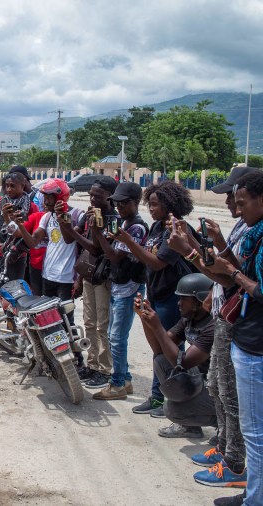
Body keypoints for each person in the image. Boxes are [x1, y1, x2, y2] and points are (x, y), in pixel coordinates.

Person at [166, 168, 257, 493]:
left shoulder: (255, 231)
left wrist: (189, 251)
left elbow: (232, 276)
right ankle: (223, 445)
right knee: (218, 388)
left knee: (231, 396)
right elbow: (225, 269)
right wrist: (200, 244)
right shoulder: (244, 228)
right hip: (227, 317)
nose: (232, 203)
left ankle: (234, 463)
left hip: (239, 324)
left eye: (235, 197)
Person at [201, 170, 263, 505]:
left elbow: (251, 282)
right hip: (243, 329)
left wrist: (233, 272)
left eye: (241, 201)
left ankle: (249, 490)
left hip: (254, 340)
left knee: (254, 431)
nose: (235, 208)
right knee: (224, 395)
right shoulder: (253, 231)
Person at [117, 180, 195, 416]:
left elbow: (157, 263)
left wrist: (129, 242)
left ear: (170, 205)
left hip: (173, 299)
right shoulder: (157, 228)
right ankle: (158, 397)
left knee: (171, 350)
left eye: (155, 205)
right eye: (149, 204)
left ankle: (175, 401)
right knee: (158, 351)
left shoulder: (176, 230)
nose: (151, 209)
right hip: (156, 294)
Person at [134, 274, 219, 442]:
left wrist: (157, 325)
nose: (178, 303)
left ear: (198, 301)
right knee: (161, 360)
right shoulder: (189, 318)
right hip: (201, 379)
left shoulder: (213, 325)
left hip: (220, 388)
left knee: (173, 410)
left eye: (183, 299)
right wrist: (145, 319)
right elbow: (159, 349)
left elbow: (184, 362)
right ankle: (191, 428)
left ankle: (226, 426)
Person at [90, 182, 148, 400]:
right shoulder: (124, 222)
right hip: (119, 285)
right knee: (115, 336)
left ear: (135, 203)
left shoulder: (137, 227)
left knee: (117, 337)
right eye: (117, 202)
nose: (120, 206)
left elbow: (114, 256)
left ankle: (117, 385)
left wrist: (99, 234)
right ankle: (126, 379)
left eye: (124, 203)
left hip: (129, 287)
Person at [58, 177, 118, 388]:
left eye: (98, 196)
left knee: (102, 325)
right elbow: (71, 241)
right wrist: (65, 223)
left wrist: (76, 230)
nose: (92, 199)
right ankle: (92, 364)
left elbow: (95, 249)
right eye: (91, 195)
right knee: (90, 322)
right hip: (89, 276)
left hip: (103, 277)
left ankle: (104, 368)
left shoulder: (112, 219)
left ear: (110, 197)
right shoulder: (89, 215)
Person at [16, 178, 83, 324]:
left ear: (60, 197)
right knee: (49, 318)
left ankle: (72, 346)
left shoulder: (78, 215)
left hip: (66, 277)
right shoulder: (47, 217)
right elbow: (33, 242)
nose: (45, 202)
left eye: (49, 198)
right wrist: (21, 226)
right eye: (44, 197)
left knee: (66, 319)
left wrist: (62, 218)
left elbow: (69, 239)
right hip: (48, 275)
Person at [0, 172, 39, 279]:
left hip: (16, 255)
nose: (9, 189)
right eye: (7, 186)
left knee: (13, 289)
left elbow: (19, 234)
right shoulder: (1, 202)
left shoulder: (31, 207)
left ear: (22, 186)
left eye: (12, 186)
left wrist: (7, 217)